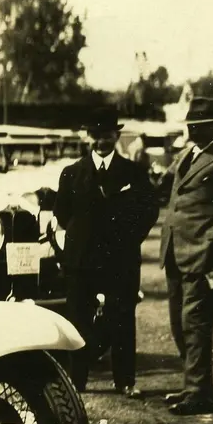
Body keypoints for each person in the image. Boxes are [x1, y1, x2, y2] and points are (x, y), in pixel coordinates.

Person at [54, 106, 159, 398]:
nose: (102, 142)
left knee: (122, 319)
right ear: (89, 137)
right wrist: (79, 241)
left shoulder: (133, 173)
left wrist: (129, 239)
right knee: (78, 319)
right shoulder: (72, 173)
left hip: (120, 261)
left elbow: (149, 210)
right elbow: (62, 214)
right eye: (96, 136)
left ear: (117, 135)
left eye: (107, 136)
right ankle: (77, 381)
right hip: (81, 261)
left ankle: (125, 380)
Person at [160, 97, 213, 415]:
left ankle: (198, 391)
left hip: (201, 254)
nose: (193, 128)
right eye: (190, 123)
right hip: (174, 251)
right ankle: (195, 385)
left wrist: (211, 246)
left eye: (200, 124)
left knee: (194, 323)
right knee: (178, 322)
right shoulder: (188, 154)